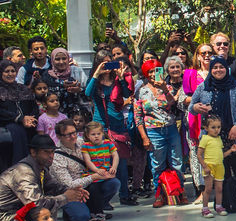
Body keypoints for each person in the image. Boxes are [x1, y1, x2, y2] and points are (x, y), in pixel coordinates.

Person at [0, 134, 88, 221]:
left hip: (10, 214)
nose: (51, 156)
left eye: (52, 152)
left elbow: (53, 187)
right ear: (33, 152)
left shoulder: (40, 168)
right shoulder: (23, 172)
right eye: (46, 152)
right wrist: (66, 197)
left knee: (48, 208)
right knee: (44, 214)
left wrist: (72, 191)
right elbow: (36, 203)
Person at [189, 57, 236, 208]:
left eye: (221, 67)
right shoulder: (203, 87)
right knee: (222, 171)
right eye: (215, 67)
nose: (218, 70)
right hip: (215, 138)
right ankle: (227, 202)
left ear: (226, 69)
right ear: (210, 70)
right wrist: (196, 108)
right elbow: (191, 107)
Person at [87, 54, 139, 206]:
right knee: (100, 162)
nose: (108, 67)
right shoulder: (96, 83)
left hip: (117, 125)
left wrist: (121, 78)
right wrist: (97, 74)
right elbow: (87, 93)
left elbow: (128, 94)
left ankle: (124, 194)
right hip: (99, 127)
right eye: (104, 64)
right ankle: (104, 199)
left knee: (121, 162)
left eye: (110, 64)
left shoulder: (116, 80)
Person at [50, 119, 119, 221]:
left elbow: (103, 151)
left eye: (74, 133)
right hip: (71, 191)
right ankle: (71, 211)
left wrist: (109, 169)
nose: (73, 136)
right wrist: (94, 176)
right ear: (59, 136)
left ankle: (96, 209)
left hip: (90, 185)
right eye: (68, 135)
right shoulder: (57, 157)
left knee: (113, 183)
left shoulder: (82, 142)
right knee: (81, 218)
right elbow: (69, 185)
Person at [134, 59, 183, 207]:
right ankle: (159, 194)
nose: (152, 74)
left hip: (170, 127)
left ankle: (179, 192)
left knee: (177, 162)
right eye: (149, 71)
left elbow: (173, 103)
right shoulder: (141, 91)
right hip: (153, 131)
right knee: (157, 165)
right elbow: (138, 116)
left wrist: (165, 89)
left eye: (156, 70)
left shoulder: (167, 87)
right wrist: (144, 137)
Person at [0, 60, 39, 179]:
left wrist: (30, 119)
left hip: (27, 132)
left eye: (13, 71)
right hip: (5, 134)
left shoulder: (23, 89)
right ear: (0, 73)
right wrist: (19, 119)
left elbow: (34, 107)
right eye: (6, 71)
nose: (10, 74)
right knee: (5, 169)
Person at [183, 43, 214, 201]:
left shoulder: (219, 70)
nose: (207, 55)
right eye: (203, 53)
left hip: (215, 119)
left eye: (210, 52)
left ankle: (217, 189)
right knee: (197, 155)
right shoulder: (189, 73)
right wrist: (198, 102)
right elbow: (184, 97)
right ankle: (201, 190)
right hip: (196, 119)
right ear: (198, 55)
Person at [198, 114, 235, 217]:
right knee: (208, 189)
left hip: (219, 166)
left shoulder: (219, 139)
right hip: (209, 166)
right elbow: (199, 154)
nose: (216, 130)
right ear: (206, 128)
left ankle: (219, 206)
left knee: (219, 188)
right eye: (213, 127)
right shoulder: (205, 139)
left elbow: (221, 155)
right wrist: (205, 166)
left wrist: (231, 150)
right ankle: (205, 209)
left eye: (218, 127)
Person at [41, 47, 86, 112]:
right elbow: (44, 95)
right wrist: (62, 87)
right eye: (57, 59)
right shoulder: (47, 75)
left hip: (76, 114)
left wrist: (79, 90)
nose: (61, 62)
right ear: (52, 60)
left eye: (64, 58)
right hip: (55, 114)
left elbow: (88, 91)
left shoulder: (77, 71)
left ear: (68, 59)